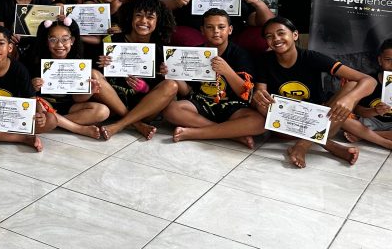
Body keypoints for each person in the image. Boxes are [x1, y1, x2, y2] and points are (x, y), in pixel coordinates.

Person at [251, 17, 375, 169]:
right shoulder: (264, 60)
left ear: (295, 35)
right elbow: (261, 91)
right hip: (283, 122)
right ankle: (329, 145)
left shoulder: (312, 58)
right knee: (260, 103)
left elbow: (369, 80)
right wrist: (259, 94)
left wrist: (350, 99)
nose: (276, 39)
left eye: (281, 33)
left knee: (352, 86)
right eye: (269, 36)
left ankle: (302, 145)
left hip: (318, 119)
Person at [162, 9, 264, 147]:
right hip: (201, 103)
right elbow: (187, 91)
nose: (216, 31)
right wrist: (172, 74)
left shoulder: (240, 55)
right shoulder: (194, 53)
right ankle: (232, 134)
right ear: (202, 30)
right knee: (171, 109)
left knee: (260, 122)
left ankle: (195, 133)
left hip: (232, 106)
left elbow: (246, 94)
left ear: (230, 30)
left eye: (221, 27)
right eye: (210, 27)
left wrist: (227, 71)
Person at [98, 0, 178, 140]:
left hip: (144, 108)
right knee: (93, 75)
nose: (143, 21)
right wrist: (101, 63)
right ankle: (136, 124)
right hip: (114, 103)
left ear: (158, 21)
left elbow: (159, 90)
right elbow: (98, 78)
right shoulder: (112, 41)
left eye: (150, 17)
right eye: (139, 15)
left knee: (171, 85)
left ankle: (120, 124)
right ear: (131, 17)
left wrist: (146, 87)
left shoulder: (160, 48)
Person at [24, 19, 119, 137]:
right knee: (37, 103)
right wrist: (32, 86)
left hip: (70, 107)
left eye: (65, 39)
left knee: (103, 111)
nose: (59, 45)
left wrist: (90, 91)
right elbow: (27, 94)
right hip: (46, 105)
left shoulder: (79, 64)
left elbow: (78, 99)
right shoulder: (36, 62)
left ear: (72, 41)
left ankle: (55, 122)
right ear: (46, 42)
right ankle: (77, 128)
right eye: (53, 40)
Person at [350, 39, 392, 147]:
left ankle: (364, 136)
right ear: (380, 60)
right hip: (372, 121)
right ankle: (368, 135)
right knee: (351, 122)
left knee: (356, 129)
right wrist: (375, 111)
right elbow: (358, 110)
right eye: (388, 60)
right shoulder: (370, 81)